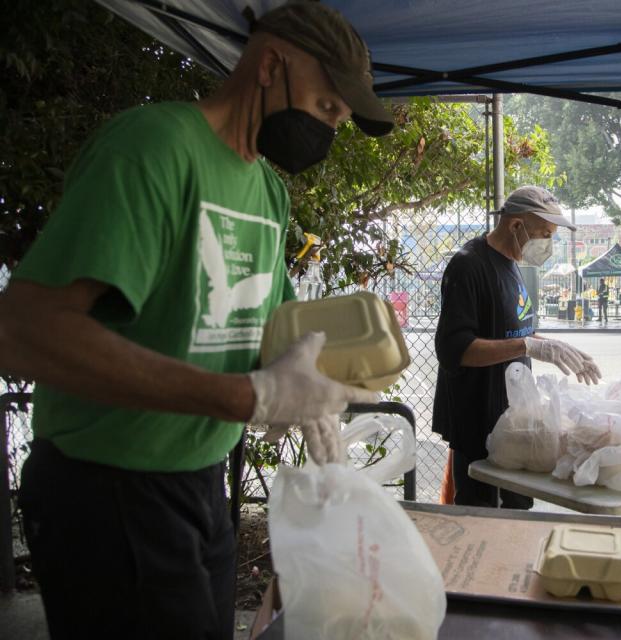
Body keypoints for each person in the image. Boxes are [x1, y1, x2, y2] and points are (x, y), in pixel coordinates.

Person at [0, 3, 393, 638]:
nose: (328, 131)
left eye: (339, 121)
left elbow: (279, 331)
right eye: (326, 108)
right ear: (270, 66)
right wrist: (248, 396)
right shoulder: (153, 147)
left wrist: (321, 387)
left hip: (201, 484)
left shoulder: (267, 189)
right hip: (108, 490)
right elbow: (23, 332)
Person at [433, 186, 602, 508]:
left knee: (519, 505)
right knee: (477, 510)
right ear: (515, 226)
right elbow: (455, 349)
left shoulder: (512, 263)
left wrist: (551, 345)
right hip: (477, 418)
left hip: (512, 418)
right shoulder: (468, 265)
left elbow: (515, 330)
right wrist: (527, 346)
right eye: (544, 234)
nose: (548, 245)